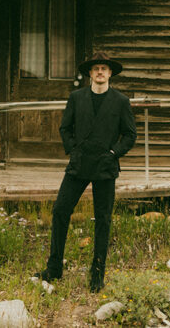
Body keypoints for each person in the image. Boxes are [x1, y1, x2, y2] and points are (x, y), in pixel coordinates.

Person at [37, 51, 136, 292]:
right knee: (60, 210)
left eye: (104, 68)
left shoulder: (121, 101)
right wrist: (74, 150)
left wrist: (113, 153)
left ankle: (97, 274)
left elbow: (130, 135)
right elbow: (65, 128)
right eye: (96, 68)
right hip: (79, 165)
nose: (100, 72)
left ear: (110, 73)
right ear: (89, 74)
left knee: (102, 219)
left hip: (105, 166)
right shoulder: (76, 98)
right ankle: (54, 268)